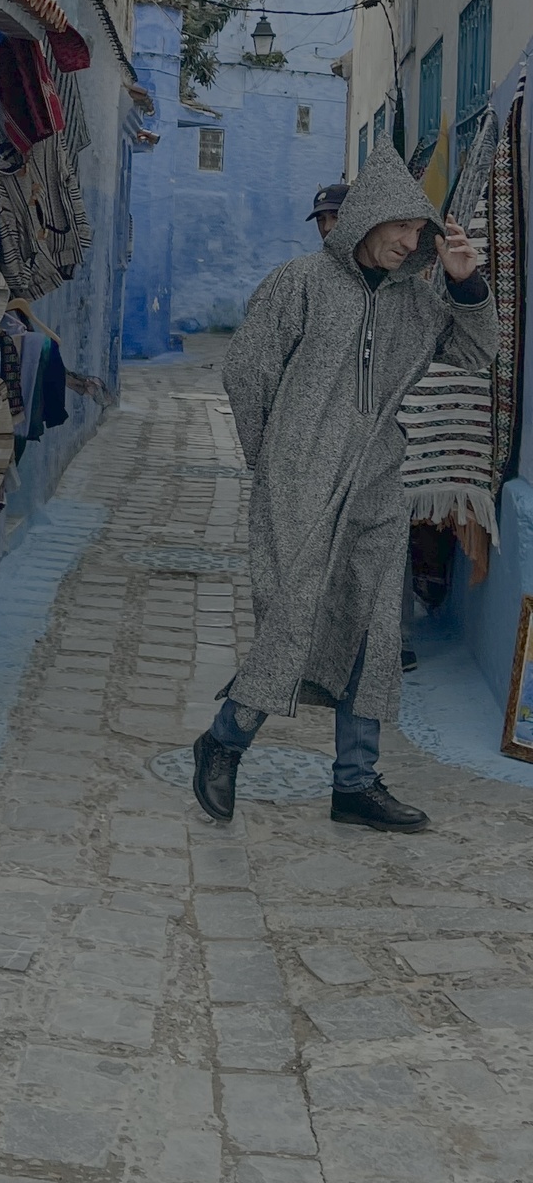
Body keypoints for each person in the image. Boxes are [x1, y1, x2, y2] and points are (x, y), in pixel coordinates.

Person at [193, 137, 499, 832]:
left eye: (420, 229)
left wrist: (465, 283)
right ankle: (225, 739)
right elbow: (247, 375)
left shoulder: (417, 305)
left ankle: (355, 783)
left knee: (372, 629)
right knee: (294, 619)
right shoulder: (297, 283)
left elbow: (479, 352)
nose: (410, 239)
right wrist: (272, 460)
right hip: (296, 482)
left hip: (377, 487)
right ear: (366, 219)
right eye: (401, 225)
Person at [307, 182, 419, 673]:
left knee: (381, 546)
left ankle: (390, 643)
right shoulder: (305, 284)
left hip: (378, 449)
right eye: (322, 220)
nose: (328, 227)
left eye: (335, 217)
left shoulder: (403, 291)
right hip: (314, 452)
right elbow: (253, 375)